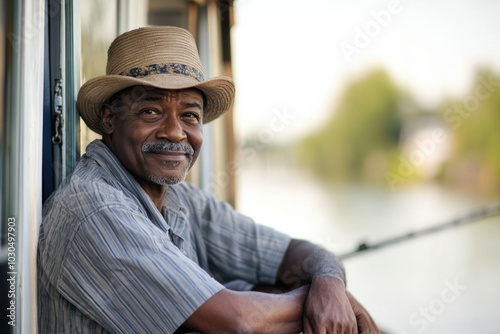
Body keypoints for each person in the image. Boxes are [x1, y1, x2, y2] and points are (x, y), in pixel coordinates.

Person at [37, 26, 380, 334]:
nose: (174, 133)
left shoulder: (180, 198)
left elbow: (292, 253)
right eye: (151, 111)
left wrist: (329, 283)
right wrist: (326, 301)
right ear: (110, 119)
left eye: (189, 115)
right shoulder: (95, 210)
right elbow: (239, 322)